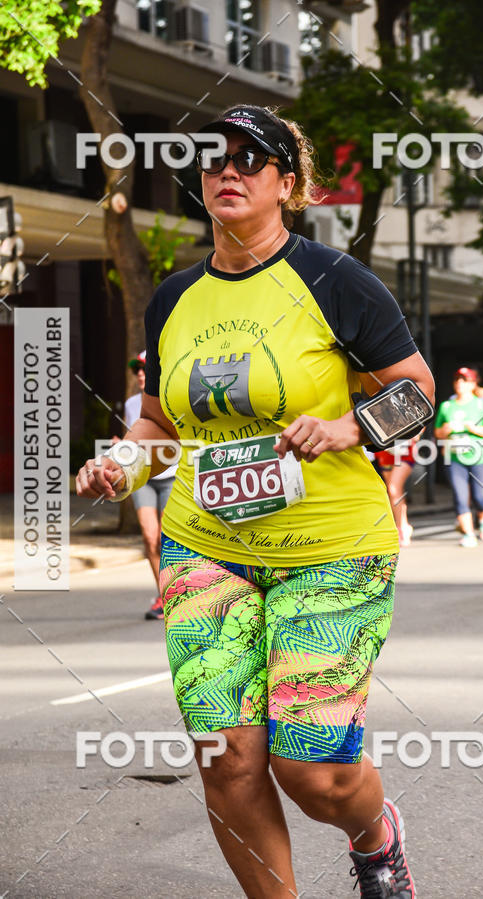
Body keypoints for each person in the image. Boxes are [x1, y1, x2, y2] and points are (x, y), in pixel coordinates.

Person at [76, 104, 434, 899]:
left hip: (331, 547)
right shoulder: (172, 299)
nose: (227, 170)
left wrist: (349, 427)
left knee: (313, 767)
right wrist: (122, 463)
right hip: (204, 545)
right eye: (214, 160)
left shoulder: (335, 280)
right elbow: (161, 425)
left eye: (251, 158)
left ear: (289, 184)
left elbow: (417, 393)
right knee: (228, 756)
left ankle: (376, 837)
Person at [123, 350, 177, 619]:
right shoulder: (132, 404)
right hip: (143, 477)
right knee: (148, 536)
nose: (141, 374)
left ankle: (175, 593)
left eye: (145, 368)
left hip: (172, 475)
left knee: (163, 539)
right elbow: (133, 436)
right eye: (137, 370)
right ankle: (163, 596)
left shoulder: (171, 399)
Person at [434, 368, 483, 547]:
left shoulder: (481, 405)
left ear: (473, 384)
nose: (460, 383)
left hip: (480, 457)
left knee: (479, 495)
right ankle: (468, 533)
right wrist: (444, 431)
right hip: (454, 458)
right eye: (457, 380)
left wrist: (473, 428)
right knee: (460, 496)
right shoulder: (447, 406)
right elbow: (437, 432)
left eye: (464, 380)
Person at [374, 438, 418, 546]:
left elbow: (418, 430)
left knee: (394, 488)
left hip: (404, 450)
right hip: (385, 451)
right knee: (393, 492)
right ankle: (403, 525)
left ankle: (401, 528)